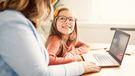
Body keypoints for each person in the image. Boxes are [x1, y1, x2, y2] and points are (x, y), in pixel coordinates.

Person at [0, 0, 101, 76]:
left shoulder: (18, 21)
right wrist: (79, 66)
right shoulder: (12, 22)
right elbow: (41, 72)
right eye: (48, 2)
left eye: (71, 19)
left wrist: (72, 53)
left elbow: (86, 45)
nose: (49, 7)